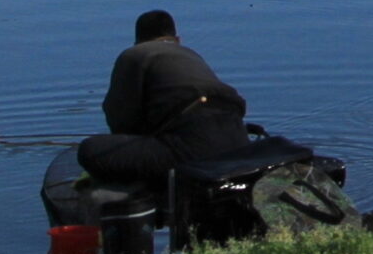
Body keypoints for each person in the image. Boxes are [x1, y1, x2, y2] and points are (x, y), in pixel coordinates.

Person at [80, 10, 249, 187]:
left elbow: (120, 120)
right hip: (239, 143)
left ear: (138, 41)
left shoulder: (134, 54)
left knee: (90, 150)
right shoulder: (190, 54)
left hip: (191, 150)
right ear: (177, 39)